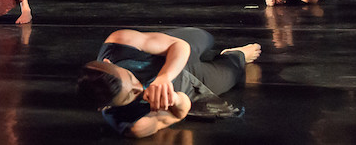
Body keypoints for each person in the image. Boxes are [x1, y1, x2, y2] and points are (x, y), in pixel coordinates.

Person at [77, 28, 261, 138]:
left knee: (206, 37)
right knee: (234, 69)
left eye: (131, 78)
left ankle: (206, 55)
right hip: (187, 84)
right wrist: (173, 98)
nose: (139, 88)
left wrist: (163, 78)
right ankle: (234, 54)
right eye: (130, 95)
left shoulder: (118, 43)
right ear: (105, 108)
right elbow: (182, 110)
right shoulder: (134, 125)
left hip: (170, 55)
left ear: (108, 63)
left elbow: (180, 46)